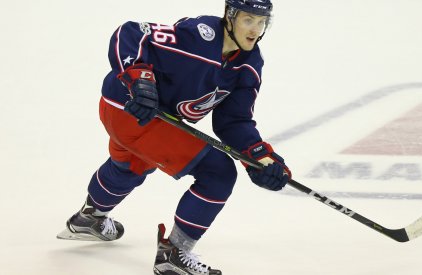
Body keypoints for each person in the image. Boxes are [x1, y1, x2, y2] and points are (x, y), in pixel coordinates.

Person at [57, 0, 291, 274]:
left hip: (138, 116)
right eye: (248, 20)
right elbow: (131, 34)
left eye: (262, 22)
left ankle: (89, 218)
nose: (255, 29)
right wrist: (139, 79)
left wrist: (261, 159)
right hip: (131, 109)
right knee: (218, 173)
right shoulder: (199, 36)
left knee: (131, 166)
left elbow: (233, 122)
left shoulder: (249, 64)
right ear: (230, 16)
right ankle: (174, 254)